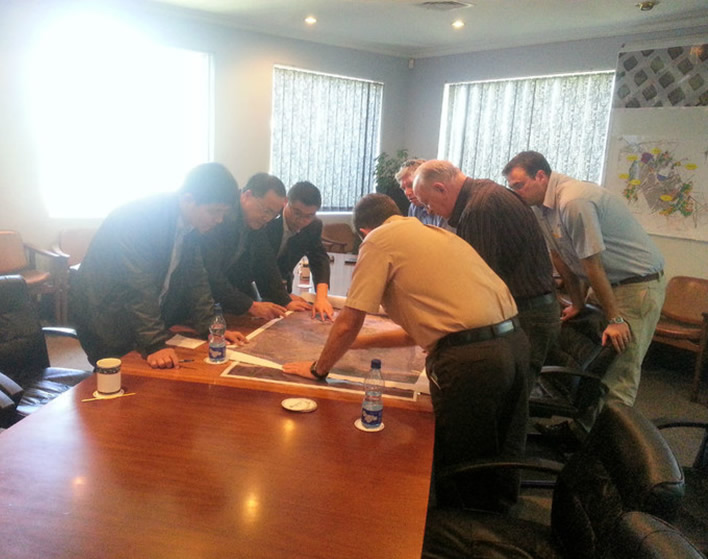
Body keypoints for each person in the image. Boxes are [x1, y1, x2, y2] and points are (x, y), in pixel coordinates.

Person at [283, 193, 529, 512]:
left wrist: (319, 368)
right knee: (501, 453)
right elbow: (421, 331)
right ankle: (499, 524)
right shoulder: (435, 235)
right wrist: (357, 344)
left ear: (363, 231)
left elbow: (350, 319)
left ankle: (455, 531)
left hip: (472, 360)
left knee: (459, 460)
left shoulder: (379, 239)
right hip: (514, 342)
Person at [502, 151, 666, 430]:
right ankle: (583, 431)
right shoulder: (540, 206)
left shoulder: (573, 200)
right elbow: (560, 257)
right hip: (604, 284)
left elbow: (593, 264)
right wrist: (577, 303)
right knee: (594, 367)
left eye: (519, 185)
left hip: (634, 286)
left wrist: (615, 319)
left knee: (619, 372)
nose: (515, 193)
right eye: (512, 187)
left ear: (540, 176)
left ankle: (605, 446)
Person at [70, 162, 247, 369]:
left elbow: (196, 279)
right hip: (105, 316)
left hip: (135, 319)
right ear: (188, 199)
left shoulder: (189, 225)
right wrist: (154, 344)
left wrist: (211, 328)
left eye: (223, 213)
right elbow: (138, 285)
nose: (219, 220)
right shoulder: (140, 218)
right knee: (119, 380)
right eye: (214, 211)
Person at [413, 160, 559, 384]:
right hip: (529, 311)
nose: (429, 210)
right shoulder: (484, 194)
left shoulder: (479, 209)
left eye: (427, 203)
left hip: (528, 317)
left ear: (440, 188)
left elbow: (478, 285)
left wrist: (443, 334)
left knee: (507, 397)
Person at [201, 172, 311, 321]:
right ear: (247, 196)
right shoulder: (221, 217)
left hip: (227, 297)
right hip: (202, 299)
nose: (267, 218)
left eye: (274, 214)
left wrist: (285, 301)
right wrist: (249, 305)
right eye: (266, 210)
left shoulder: (255, 222)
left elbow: (265, 263)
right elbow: (211, 274)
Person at [264, 181, 335, 321]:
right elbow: (261, 265)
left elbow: (319, 259)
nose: (302, 220)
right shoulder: (269, 220)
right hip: (253, 286)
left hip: (282, 285)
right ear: (285, 202)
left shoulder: (313, 226)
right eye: (297, 213)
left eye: (309, 215)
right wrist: (283, 297)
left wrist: (321, 298)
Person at [394, 159, 453, 231]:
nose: (407, 192)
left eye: (411, 185)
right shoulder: (414, 207)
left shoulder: (442, 206)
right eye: (403, 188)